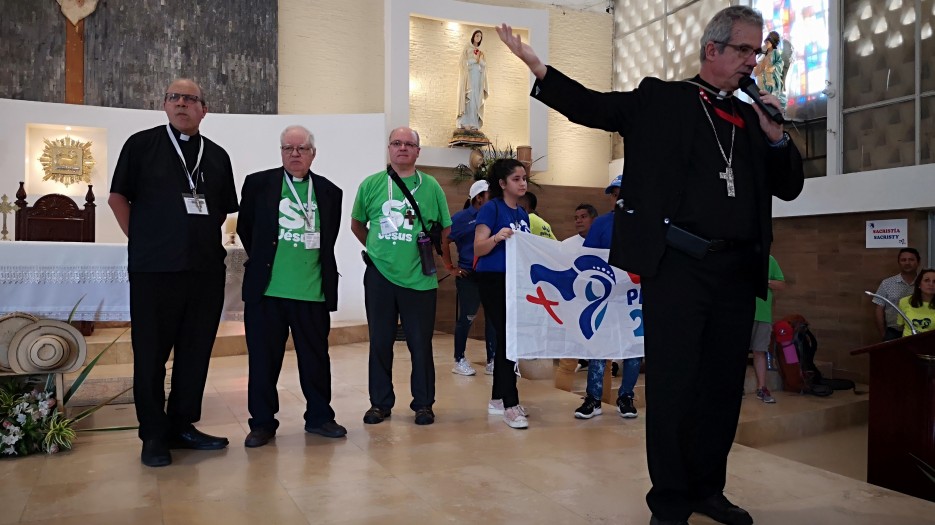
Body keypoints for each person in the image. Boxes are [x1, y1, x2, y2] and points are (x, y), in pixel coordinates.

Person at [498, 5, 804, 524]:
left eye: (757, 52)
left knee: (723, 389)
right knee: (674, 386)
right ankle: (669, 501)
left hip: (735, 272)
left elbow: (790, 185)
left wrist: (776, 134)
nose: (754, 61)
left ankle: (709, 489)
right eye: (746, 50)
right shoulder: (664, 99)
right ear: (713, 49)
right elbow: (594, 107)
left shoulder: (755, 117)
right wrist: (538, 68)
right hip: (679, 268)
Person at [108, 78, 239, 467]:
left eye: (191, 99)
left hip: (203, 271)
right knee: (150, 355)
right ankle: (153, 435)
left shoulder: (217, 156)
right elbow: (117, 197)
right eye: (175, 97)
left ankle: (182, 425)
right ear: (165, 105)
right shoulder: (141, 145)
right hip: (154, 271)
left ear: (204, 109)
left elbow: (220, 210)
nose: (182, 103)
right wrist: (144, 240)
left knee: (195, 353)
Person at [236, 125, 346, 448]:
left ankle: (320, 417)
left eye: (302, 148)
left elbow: (328, 241)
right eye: (288, 148)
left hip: (311, 293)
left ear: (313, 153)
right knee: (263, 362)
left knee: (315, 360)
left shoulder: (329, 192)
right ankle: (262, 423)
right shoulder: (258, 185)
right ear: (281, 152)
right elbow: (246, 229)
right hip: (267, 293)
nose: (295, 154)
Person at [351, 127, 452, 426]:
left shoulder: (431, 186)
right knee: (379, 342)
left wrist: (444, 260)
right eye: (397, 143)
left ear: (418, 152)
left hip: (419, 278)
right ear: (389, 149)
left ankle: (423, 404)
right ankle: (379, 403)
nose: (403, 148)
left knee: (420, 344)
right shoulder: (371, 184)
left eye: (409, 144)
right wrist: (379, 251)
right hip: (379, 276)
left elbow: (445, 229)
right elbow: (357, 225)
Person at [575, 178, 643, 420]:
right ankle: (593, 398)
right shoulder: (602, 223)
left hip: (634, 297)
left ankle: (626, 396)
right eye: (614, 194)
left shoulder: (644, 223)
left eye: (622, 193)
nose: (618, 198)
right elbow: (589, 258)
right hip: (605, 296)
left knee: (633, 347)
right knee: (599, 346)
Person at [474, 158, 531, 429]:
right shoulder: (491, 209)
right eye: (517, 179)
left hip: (515, 280)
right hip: (493, 278)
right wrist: (496, 238)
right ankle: (510, 402)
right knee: (508, 338)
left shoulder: (522, 214)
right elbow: (478, 248)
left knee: (510, 337)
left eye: (524, 178)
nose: (523, 183)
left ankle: (498, 399)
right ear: (502, 183)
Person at [442, 180, 497, 376]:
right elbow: (444, 239)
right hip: (468, 275)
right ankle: (459, 359)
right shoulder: (461, 218)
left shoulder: (493, 216)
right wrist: (450, 267)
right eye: (489, 195)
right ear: (478, 198)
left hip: (490, 274)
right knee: (467, 317)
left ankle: (492, 359)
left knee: (493, 319)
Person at [749, 255, 785, 404]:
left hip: (763, 314)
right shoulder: (740, 257)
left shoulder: (769, 259)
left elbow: (781, 284)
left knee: (760, 351)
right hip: (742, 313)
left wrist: (765, 281)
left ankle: (761, 388)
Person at [872, 247, 921, 341]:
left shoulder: (925, 283)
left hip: (919, 331)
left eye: (911, 260)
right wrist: (883, 334)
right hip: (894, 332)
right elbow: (879, 309)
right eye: (903, 260)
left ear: (918, 262)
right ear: (899, 262)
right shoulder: (887, 283)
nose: (907, 263)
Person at [457, 29, 489, 130]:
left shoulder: (482, 52)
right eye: (477, 35)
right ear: (473, 36)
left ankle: (474, 122)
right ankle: (465, 121)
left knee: (475, 99)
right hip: (469, 78)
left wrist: (480, 62)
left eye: (480, 36)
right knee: (468, 99)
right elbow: (463, 63)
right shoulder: (467, 48)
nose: (478, 38)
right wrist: (474, 60)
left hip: (478, 78)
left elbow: (484, 66)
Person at [753, 31, 786, 110]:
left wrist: (773, 68)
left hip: (772, 78)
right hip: (763, 78)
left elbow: (780, 63)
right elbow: (758, 64)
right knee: (762, 94)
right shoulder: (763, 52)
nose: (767, 44)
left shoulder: (775, 53)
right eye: (766, 42)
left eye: (769, 42)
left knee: (772, 95)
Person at [896, 268, 935, 337]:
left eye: (934, 281)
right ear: (919, 284)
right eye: (927, 280)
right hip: (908, 344)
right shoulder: (904, 301)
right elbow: (900, 326)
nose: (931, 284)